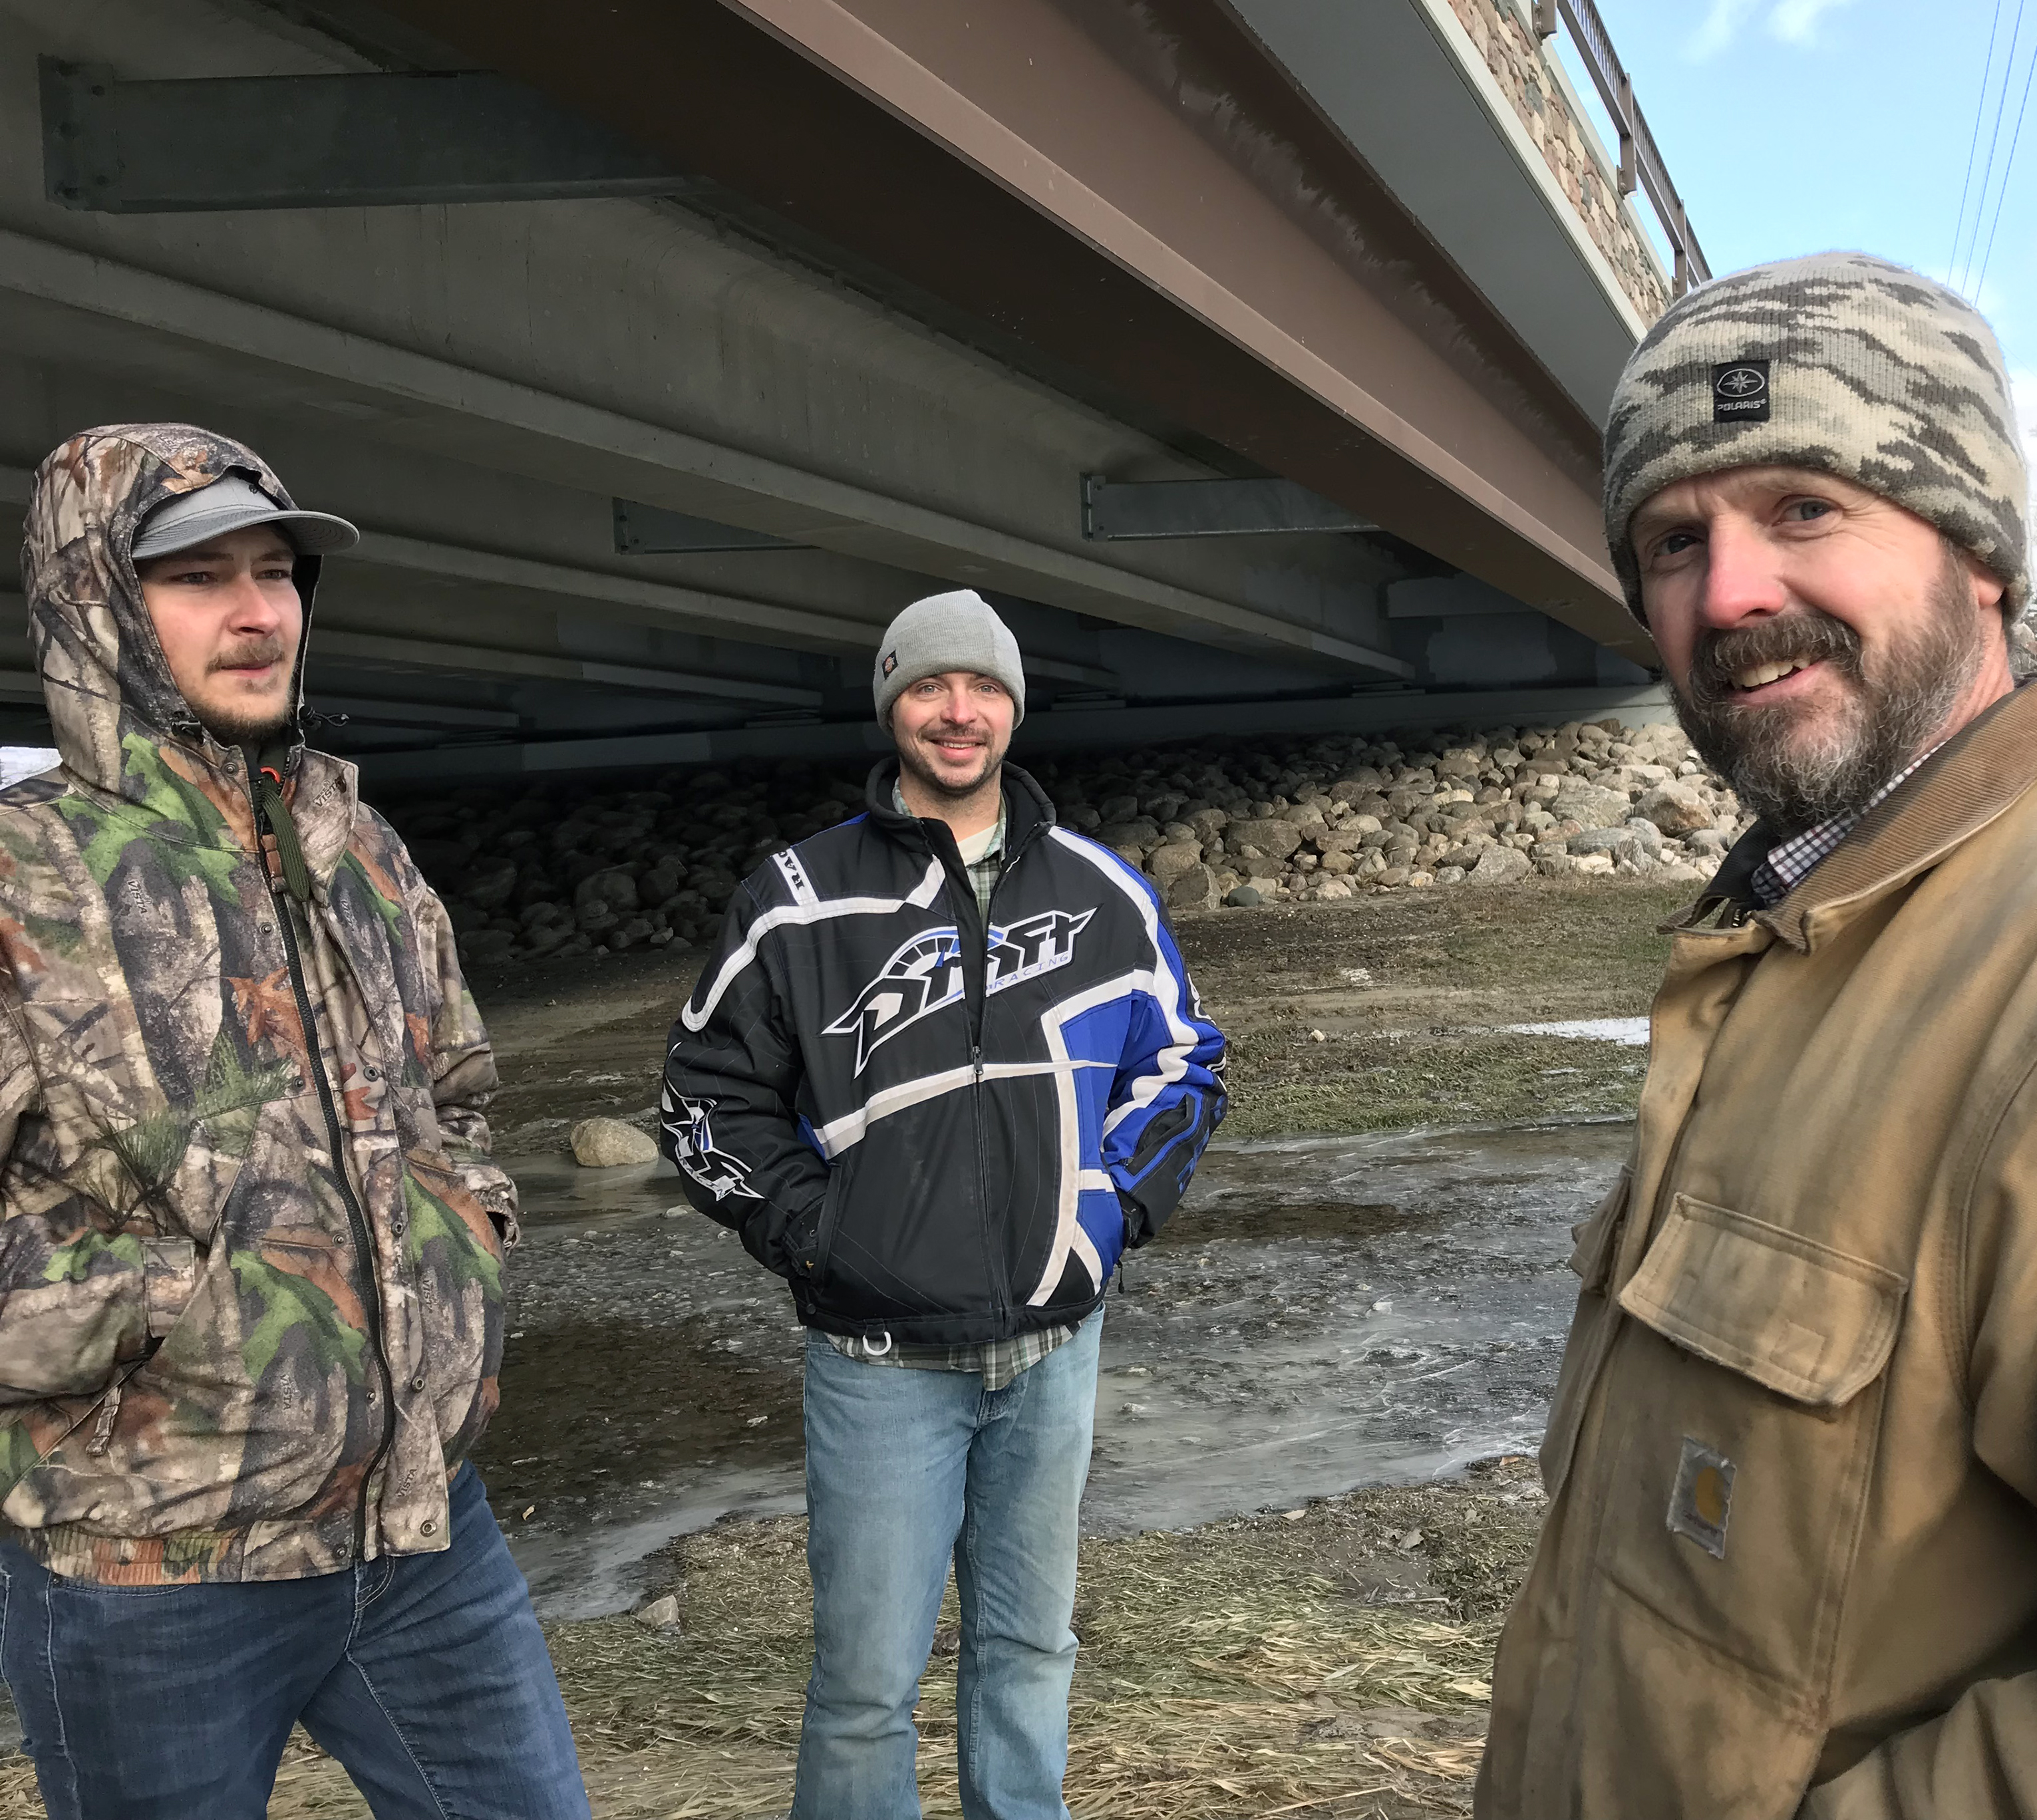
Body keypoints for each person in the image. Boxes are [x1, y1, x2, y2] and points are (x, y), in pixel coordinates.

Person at [1478, 254, 2037, 1819]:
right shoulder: (1787, 945)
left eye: (1805, 508)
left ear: (1979, 553)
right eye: (1675, 542)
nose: (1734, 593)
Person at [0, 425, 585, 1819]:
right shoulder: (27, 881)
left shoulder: (359, 847)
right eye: (198, 577)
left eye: (277, 571)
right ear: (94, 599)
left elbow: (459, 1096)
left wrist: (470, 1228)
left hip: (424, 1536)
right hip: (154, 1574)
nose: (260, 613)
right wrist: (159, 1310)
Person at [663, 588, 1225, 1819]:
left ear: (1014, 708)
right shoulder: (800, 899)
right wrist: (819, 1234)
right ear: (891, 704)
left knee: (1030, 1653)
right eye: (929, 686)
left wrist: (1110, 1216)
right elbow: (703, 1096)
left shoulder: (1101, 890)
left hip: (1052, 1350)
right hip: (878, 1368)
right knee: (865, 1685)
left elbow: (1184, 1063)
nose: (957, 712)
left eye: (982, 689)